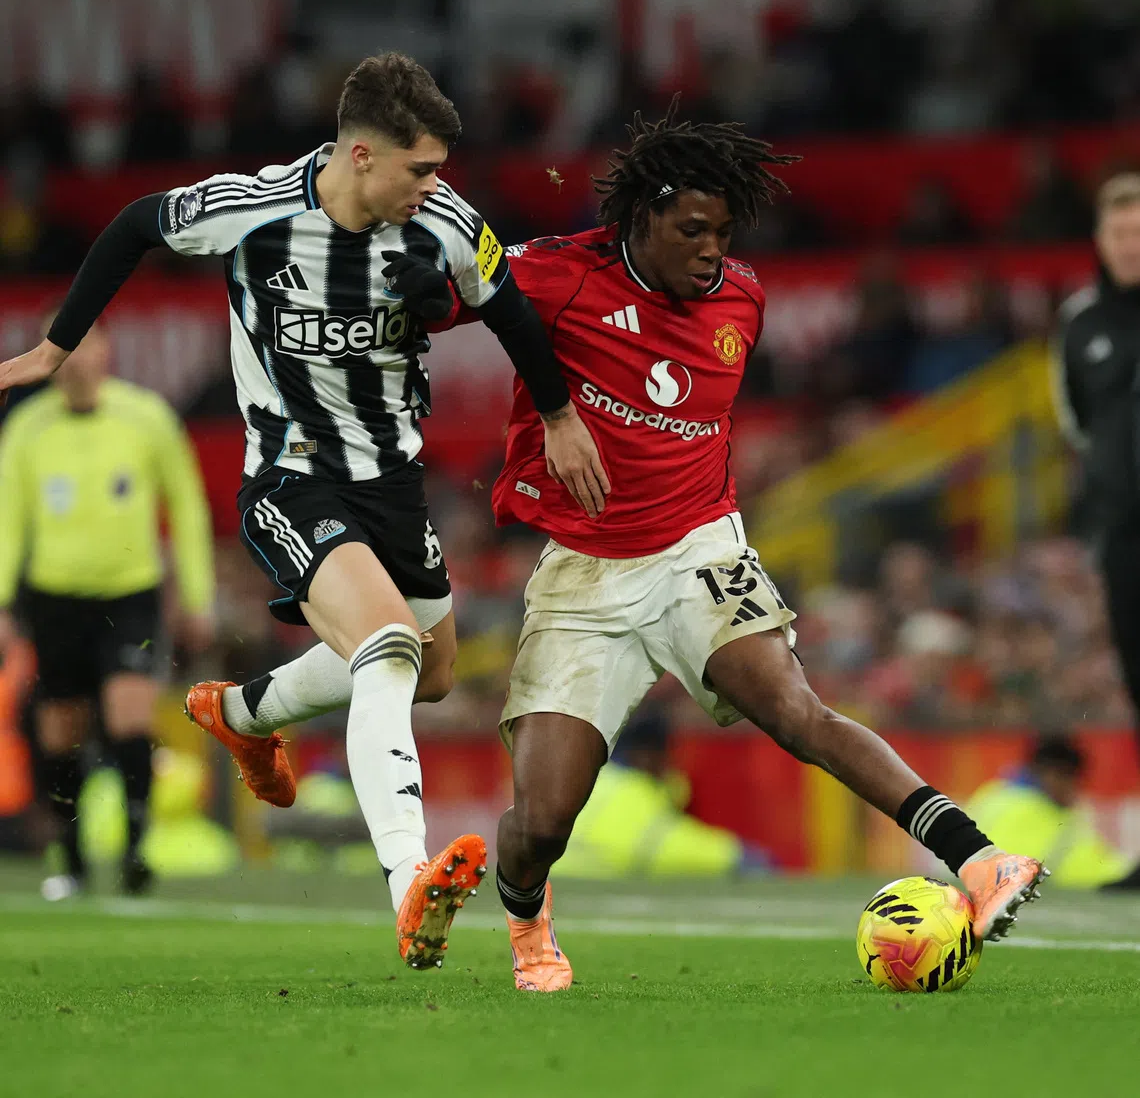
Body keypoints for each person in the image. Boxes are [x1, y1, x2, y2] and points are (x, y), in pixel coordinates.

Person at [178, 103, 1049, 993]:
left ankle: (979, 862)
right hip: (584, 578)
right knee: (543, 822)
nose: (714, 251)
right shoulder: (558, 275)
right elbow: (453, 295)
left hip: (699, 551)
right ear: (642, 221)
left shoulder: (741, 298)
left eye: (723, 231)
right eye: (693, 231)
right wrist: (407, 283)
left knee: (796, 710)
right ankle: (526, 922)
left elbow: (678, 414)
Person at [0, 52, 608, 971]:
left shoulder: (444, 224)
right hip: (291, 480)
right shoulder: (255, 207)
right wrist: (53, 350)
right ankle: (409, 884)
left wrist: (560, 416)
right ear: (361, 154)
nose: (433, 187)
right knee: (391, 648)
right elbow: (133, 226)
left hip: (392, 484)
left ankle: (241, 714)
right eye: (419, 169)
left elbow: (511, 311)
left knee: (433, 672)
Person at [0, 316, 215, 898]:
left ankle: (135, 848)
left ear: (105, 349)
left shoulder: (147, 417)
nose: (76, 356)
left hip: (131, 594)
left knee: (129, 718)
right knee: (59, 733)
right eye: (63, 345)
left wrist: (198, 596)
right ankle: (69, 859)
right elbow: (8, 522)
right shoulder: (25, 429)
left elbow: (188, 509)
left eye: (86, 342)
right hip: (53, 599)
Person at [1051, 173, 1140, 766]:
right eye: (1118, 231)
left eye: (1139, 231)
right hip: (1125, 532)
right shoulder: (1079, 320)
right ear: (1099, 239)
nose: (1129, 243)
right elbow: (1076, 420)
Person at [966, 735, 1135, 891]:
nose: (1074, 789)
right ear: (1051, 774)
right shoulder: (1036, 810)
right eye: (1070, 778)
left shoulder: (993, 793)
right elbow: (1082, 866)